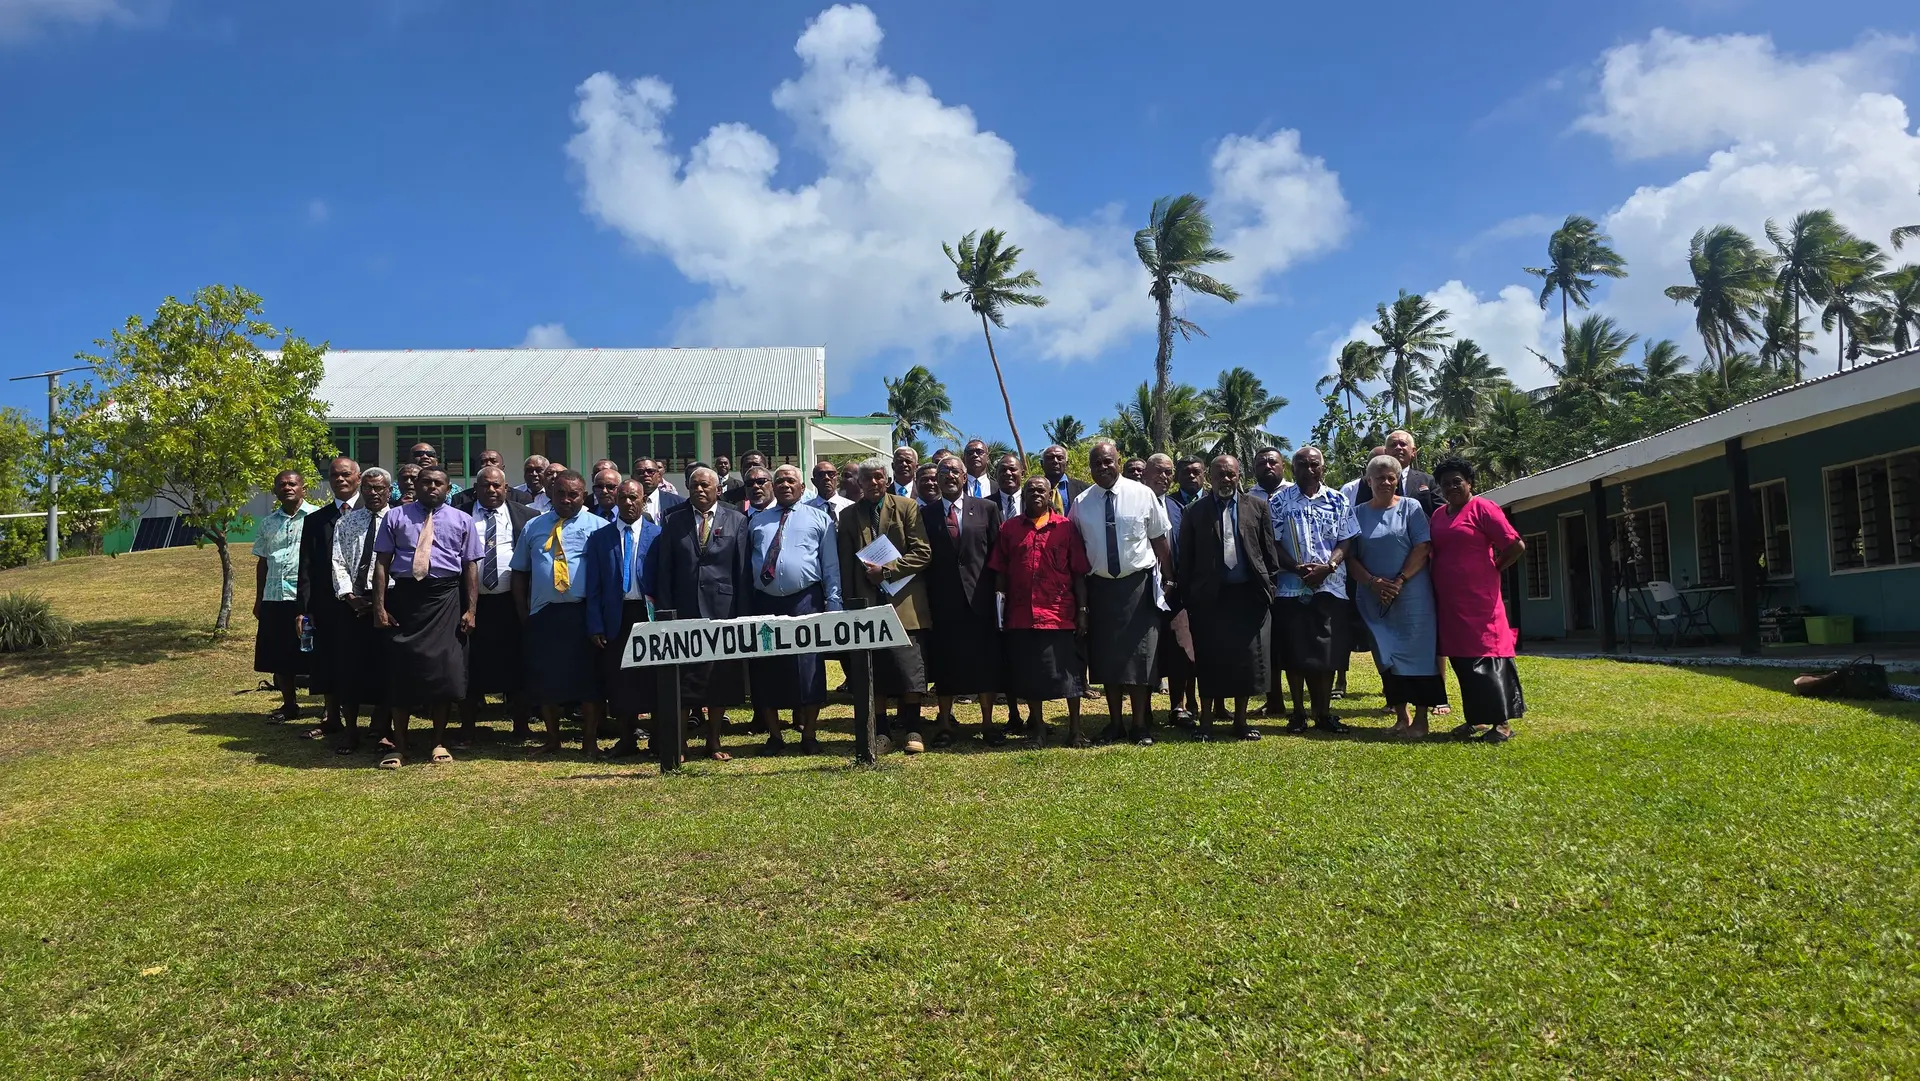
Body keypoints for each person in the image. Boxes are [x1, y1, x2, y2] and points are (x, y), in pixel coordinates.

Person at [371, 466, 483, 768]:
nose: (431, 487)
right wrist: (379, 607)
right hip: (405, 597)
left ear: (448, 488)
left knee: (443, 671)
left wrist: (471, 609)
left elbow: (470, 565)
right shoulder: (395, 516)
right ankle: (400, 745)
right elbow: (382, 562)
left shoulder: (463, 520)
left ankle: (437, 742)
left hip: (445, 598)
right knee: (400, 671)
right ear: (415, 485)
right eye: (426, 482)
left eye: (438, 483)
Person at [1074, 440, 1173, 746]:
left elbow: (1159, 541)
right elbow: (1078, 552)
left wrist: (1169, 580)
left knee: (1140, 658)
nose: (1103, 468)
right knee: (1108, 660)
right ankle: (1115, 723)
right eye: (1096, 464)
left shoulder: (1142, 494)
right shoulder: (1081, 502)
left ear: (1118, 461)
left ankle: (1140, 725)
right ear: (1089, 468)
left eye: (1108, 462)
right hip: (1101, 587)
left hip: (1137, 586)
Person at [1176, 455, 1282, 741]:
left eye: (1231, 474)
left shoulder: (1257, 507)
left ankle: (1240, 721)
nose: (1226, 479)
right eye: (1220, 474)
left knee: (1246, 661)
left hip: (1248, 597)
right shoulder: (1194, 512)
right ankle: (1207, 722)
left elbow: (1269, 552)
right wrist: (1189, 597)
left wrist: (1270, 588)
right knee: (1211, 660)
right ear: (1210, 477)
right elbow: (1184, 559)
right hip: (1210, 600)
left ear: (1239, 476)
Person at [509, 470, 611, 755]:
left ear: (584, 495)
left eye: (573, 494)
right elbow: (519, 572)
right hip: (544, 615)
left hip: (583, 614)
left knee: (588, 680)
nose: (566, 500)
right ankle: (552, 739)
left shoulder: (599, 527)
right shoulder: (533, 526)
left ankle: (589, 741)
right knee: (545, 679)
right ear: (551, 494)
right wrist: (523, 613)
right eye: (560, 494)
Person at [654, 465, 753, 760]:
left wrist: (743, 615)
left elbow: (742, 571)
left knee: (719, 680)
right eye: (694, 485)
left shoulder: (737, 520)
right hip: (684, 610)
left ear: (717, 490)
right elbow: (665, 570)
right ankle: (681, 743)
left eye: (705, 485)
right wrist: (665, 612)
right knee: (684, 680)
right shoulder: (673, 521)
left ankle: (714, 742)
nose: (699, 490)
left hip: (724, 610)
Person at [1427, 456, 1527, 743]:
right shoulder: (1438, 515)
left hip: (1480, 600)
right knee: (1462, 661)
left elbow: (1515, 545)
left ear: (1469, 482)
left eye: (1457, 481)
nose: (1451, 487)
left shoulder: (1482, 507)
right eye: (1445, 484)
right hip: (1449, 602)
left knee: (1488, 659)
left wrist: (1494, 567)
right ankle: (1476, 719)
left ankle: (1503, 723)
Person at [838, 456, 934, 754]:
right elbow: (845, 564)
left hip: (905, 600)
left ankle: (913, 729)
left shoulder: (907, 507)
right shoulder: (849, 515)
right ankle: (880, 731)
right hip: (868, 603)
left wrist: (889, 571)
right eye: (867, 479)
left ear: (887, 479)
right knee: (875, 670)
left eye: (879, 477)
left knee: (909, 670)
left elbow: (923, 553)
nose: (874, 483)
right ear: (859, 483)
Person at [1349, 454, 1446, 738]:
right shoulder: (1356, 513)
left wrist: (1400, 580)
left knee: (1418, 655)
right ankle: (1401, 717)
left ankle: (1421, 720)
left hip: (1412, 594)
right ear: (1369, 481)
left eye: (1391, 477)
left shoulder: (1411, 507)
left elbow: (1423, 546)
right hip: (1372, 596)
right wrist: (1372, 583)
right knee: (1385, 654)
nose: (1386, 482)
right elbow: (1350, 556)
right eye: (1380, 477)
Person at [988, 475, 1090, 746]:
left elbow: (1079, 572)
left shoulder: (1066, 527)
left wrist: (1082, 610)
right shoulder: (1009, 529)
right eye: (1030, 490)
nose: (1035, 494)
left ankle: (1075, 730)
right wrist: (999, 609)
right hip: (1022, 616)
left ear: (1049, 496)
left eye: (1041, 490)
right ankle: (1039, 730)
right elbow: (1000, 571)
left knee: (1072, 676)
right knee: (1031, 676)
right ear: (1023, 496)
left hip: (1060, 614)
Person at [749, 465, 842, 754]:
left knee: (808, 665)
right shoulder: (756, 521)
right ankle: (775, 736)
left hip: (805, 599)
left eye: (791, 480)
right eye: (780, 481)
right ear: (773, 488)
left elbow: (830, 565)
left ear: (803, 487)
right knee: (766, 664)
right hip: (764, 602)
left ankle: (810, 734)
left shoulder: (820, 518)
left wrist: (834, 602)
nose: (785, 485)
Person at [1270, 446, 1357, 734]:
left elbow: (1345, 542)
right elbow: (1273, 542)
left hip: (1330, 588)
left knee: (1327, 653)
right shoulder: (1279, 501)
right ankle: (1297, 713)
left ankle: (1324, 712)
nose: (1309, 469)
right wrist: (1297, 569)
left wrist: (1328, 567)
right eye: (1302, 465)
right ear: (1292, 469)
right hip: (1290, 588)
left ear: (1323, 468)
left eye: (1314, 464)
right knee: (1294, 653)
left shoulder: (1338, 500)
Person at [924, 457, 1005, 746]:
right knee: (946, 664)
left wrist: (998, 594)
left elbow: (997, 554)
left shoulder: (986, 508)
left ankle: (988, 723)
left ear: (964, 477)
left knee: (985, 664)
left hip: (980, 600)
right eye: (943, 472)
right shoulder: (926, 514)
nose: (948, 476)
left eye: (954, 472)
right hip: (943, 602)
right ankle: (945, 723)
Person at [459, 466, 539, 743]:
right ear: (476, 489)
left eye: (497, 486)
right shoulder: (462, 516)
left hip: (511, 602)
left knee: (518, 663)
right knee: (469, 664)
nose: (491, 491)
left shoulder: (527, 516)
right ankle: (468, 727)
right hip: (471, 604)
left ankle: (521, 726)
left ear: (506, 488)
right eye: (485, 486)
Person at [585, 479, 662, 758]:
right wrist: (595, 624)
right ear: (616, 501)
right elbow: (593, 586)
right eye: (624, 498)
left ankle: (657, 739)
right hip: (615, 617)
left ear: (643, 500)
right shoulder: (600, 538)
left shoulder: (658, 535)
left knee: (653, 678)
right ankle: (626, 738)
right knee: (620, 680)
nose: (629, 503)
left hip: (648, 616)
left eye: (634, 498)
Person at [328, 467, 395, 755]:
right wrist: (349, 595)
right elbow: (338, 561)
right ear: (361, 489)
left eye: (380, 488)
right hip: (353, 604)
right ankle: (351, 731)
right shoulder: (347, 522)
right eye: (368, 488)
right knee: (350, 669)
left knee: (387, 668)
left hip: (389, 602)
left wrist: (382, 600)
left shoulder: (400, 521)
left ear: (389, 491)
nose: (374, 493)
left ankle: (382, 729)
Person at [295, 455, 361, 738]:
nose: (340, 480)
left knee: (366, 660)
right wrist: (303, 610)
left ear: (358, 477)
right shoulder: (316, 520)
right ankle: (332, 717)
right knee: (329, 661)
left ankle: (375, 724)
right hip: (328, 604)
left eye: (346, 474)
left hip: (366, 603)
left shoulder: (380, 513)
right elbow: (306, 569)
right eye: (334, 476)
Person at [253, 469, 316, 722]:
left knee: (315, 652)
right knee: (280, 654)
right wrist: (259, 599)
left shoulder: (316, 517)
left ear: (303, 488)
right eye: (282, 484)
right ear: (274, 490)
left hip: (306, 598)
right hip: (275, 597)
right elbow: (263, 562)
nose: (287, 487)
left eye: (293, 483)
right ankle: (289, 704)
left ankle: (328, 708)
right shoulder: (268, 523)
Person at [1146, 453, 1198, 725]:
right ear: (1145, 473)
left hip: (1176, 591)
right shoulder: (1135, 504)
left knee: (1181, 648)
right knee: (1144, 651)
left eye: (1168, 472)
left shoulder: (1179, 508)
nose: (1164, 477)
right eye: (1158, 471)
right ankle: (1142, 709)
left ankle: (1178, 706)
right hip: (1143, 589)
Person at [452, 452, 531, 510]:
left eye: (493, 461)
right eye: (483, 462)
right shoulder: (460, 499)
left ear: (503, 468)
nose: (488, 464)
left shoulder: (521, 498)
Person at [633, 458, 687, 524]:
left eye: (650, 471)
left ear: (659, 476)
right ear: (632, 477)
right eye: (640, 472)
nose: (646, 474)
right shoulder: (622, 503)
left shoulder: (679, 503)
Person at [1040, 444, 1086, 516]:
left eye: (1060, 458)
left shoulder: (1084, 490)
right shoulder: (1030, 491)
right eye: (1050, 458)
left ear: (1067, 464)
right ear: (1042, 464)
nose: (1055, 461)